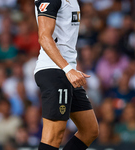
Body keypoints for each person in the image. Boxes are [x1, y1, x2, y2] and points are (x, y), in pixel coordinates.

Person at [34, 0, 99, 150]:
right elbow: (44, 37)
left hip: (66, 71)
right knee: (53, 137)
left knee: (89, 130)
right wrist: (68, 69)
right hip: (54, 70)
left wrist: (70, 69)